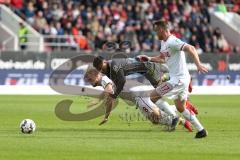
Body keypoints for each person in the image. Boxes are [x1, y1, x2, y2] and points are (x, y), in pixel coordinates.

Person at [138, 20, 208, 138]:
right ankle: (201, 130)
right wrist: (148, 58)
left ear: (162, 30)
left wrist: (198, 64)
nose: (156, 34)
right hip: (181, 79)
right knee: (181, 107)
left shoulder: (172, 41)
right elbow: (162, 58)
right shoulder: (164, 43)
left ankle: (172, 118)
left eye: (156, 31)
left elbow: (191, 48)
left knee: (152, 97)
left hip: (178, 80)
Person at [91, 56, 193, 131]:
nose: (101, 70)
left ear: (104, 62)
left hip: (148, 69)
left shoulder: (112, 69)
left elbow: (119, 83)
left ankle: (177, 79)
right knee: (158, 99)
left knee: (160, 96)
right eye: (99, 69)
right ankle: (180, 111)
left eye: (101, 68)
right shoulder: (107, 71)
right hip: (144, 72)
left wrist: (111, 96)